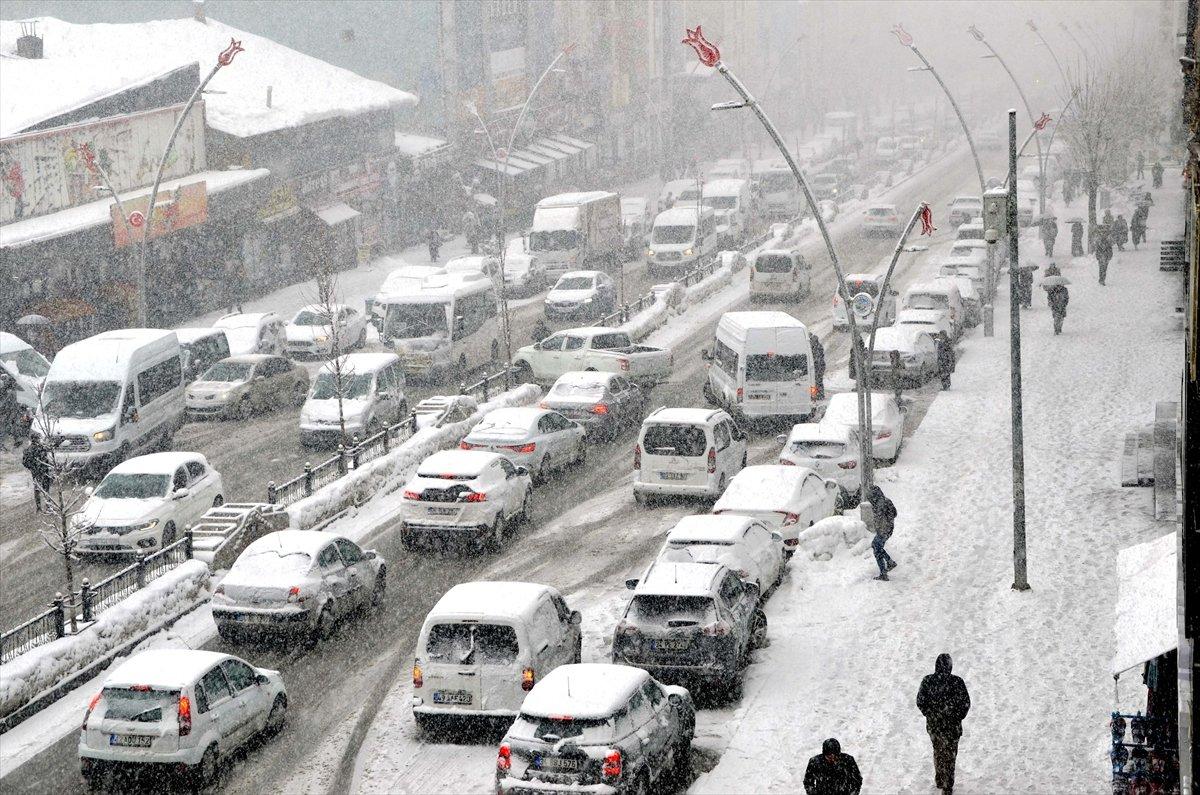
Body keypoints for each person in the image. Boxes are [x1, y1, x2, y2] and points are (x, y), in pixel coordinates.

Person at [917, 653, 972, 795]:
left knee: (938, 751)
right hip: (952, 727)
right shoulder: (957, 682)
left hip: (934, 726)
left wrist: (931, 714)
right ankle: (947, 785)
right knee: (950, 755)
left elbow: (920, 701)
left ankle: (940, 778)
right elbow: (965, 703)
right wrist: (956, 716)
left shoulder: (928, 680)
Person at [865, 484, 897, 581]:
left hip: (883, 531)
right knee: (877, 547)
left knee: (876, 548)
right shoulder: (886, 500)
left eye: (870, 497)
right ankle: (890, 562)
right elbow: (895, 513)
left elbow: (880, 519)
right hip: (889, 529)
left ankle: (884, 573)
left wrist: (881, 529)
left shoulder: (879, 504)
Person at [22, 434, 52, 512]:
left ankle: (39, 507)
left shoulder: (29, 449)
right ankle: (48, 506)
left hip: (36, 472)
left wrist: (32, 468)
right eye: (39, 438)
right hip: (44, 471)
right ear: (37, 439)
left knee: (37, 489)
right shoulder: (41, 448)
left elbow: (25, 462)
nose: (40, 440)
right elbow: (50, 450)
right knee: (46, 489)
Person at [1043, 263, 1070, 335]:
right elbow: (1049, 297)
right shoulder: (1052, 291)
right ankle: (1056, 329)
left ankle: (1059, 328)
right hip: (1056, 306)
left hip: (1061, 306)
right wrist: (1051, 303)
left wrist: (1064, 304)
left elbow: (1067, 298)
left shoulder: (1064, 290)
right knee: (1056, 317)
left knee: (1061, 318)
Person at [0, 375, 21, 450]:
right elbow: (8, 403)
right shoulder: (11, 392)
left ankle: (17, 440)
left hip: (9, 412)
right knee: (6, 428)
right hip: (9, 412)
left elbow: (7, 403)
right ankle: (16, 440)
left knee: (6, 427)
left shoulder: (9, 392)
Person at [1094, 221, 1114, 286]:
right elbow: (1098, 250)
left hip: (1105, 257)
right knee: (1102, 268)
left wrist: (1109, 256)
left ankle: (1102, 279)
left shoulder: (1107, 241)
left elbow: (1110, 249)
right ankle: (1101, 279)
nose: (1103, 234)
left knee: (1104, 269)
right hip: (1102, 257)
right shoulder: (1099, 241)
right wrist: (1098, 256)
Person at [809, 332, 826, 401]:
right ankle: (819, 394)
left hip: (817, 366)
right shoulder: (818, 345)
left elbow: (817, 358)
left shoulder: (815, 347)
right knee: (818, 381)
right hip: (820, 366)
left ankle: (816, 395)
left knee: (815, 382)